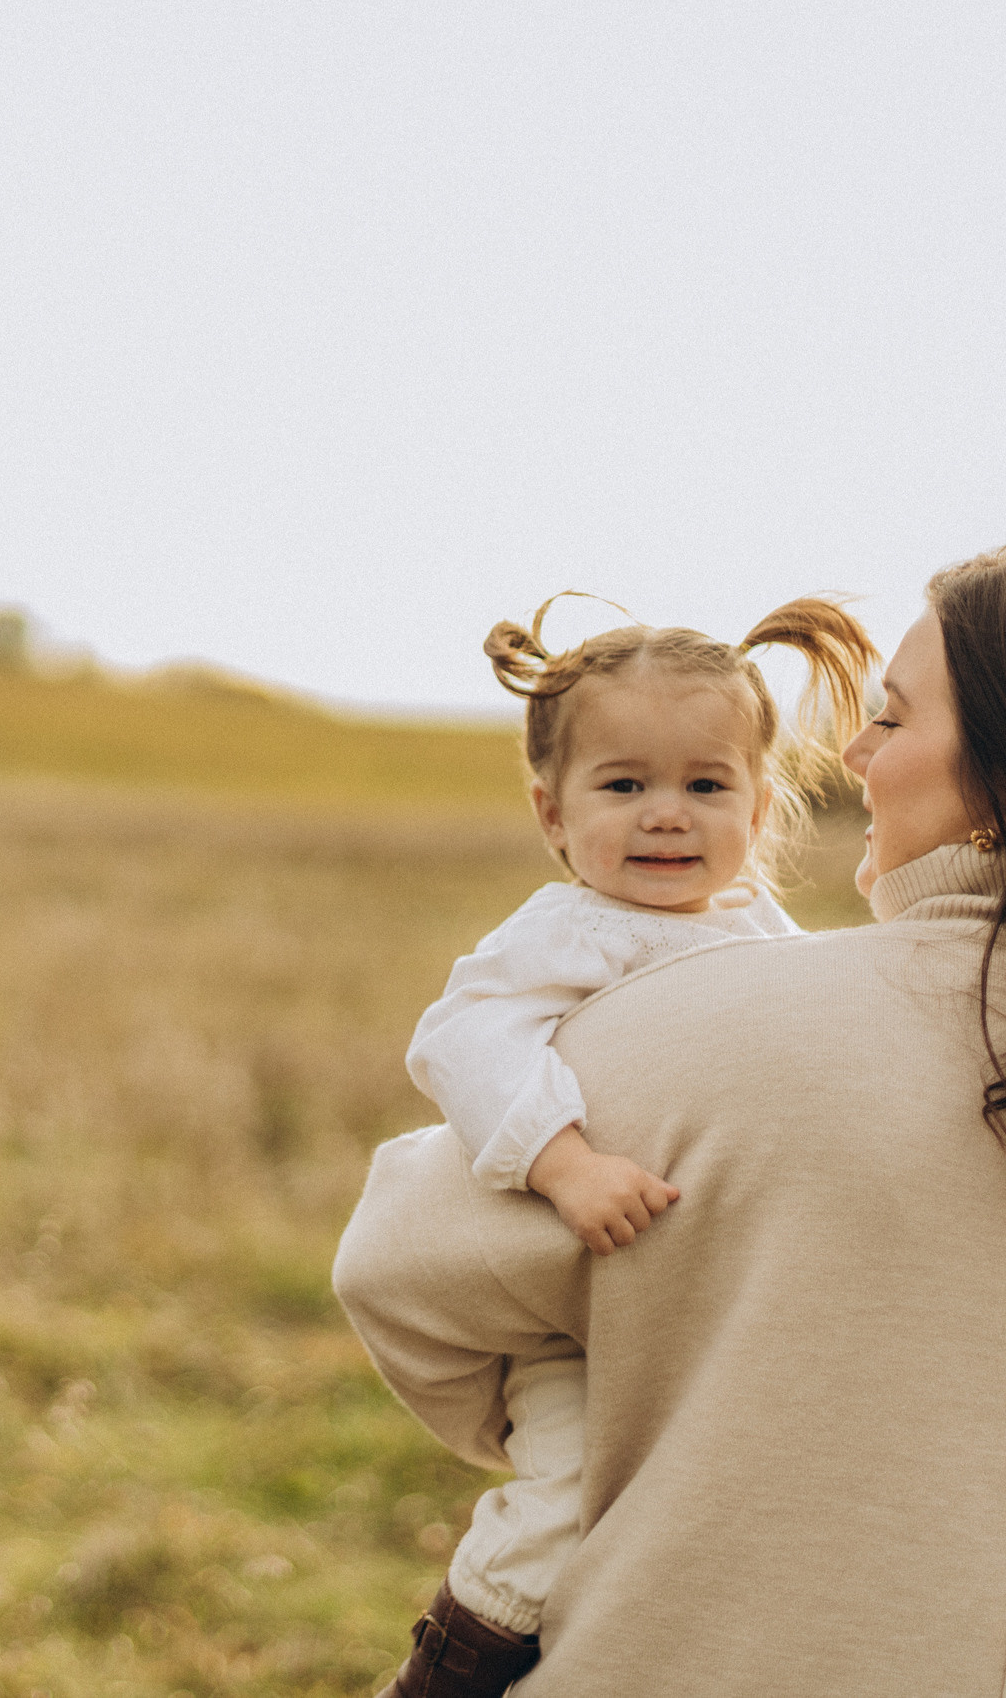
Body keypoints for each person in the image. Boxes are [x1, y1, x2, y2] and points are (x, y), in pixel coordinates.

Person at [336, 544, 1006, 1698]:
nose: (855, 753)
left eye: (893, 719)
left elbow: (393, 1264)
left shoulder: (710, 1028)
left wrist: (623, 1414)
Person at [382, 593, 879, 1696]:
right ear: (551, 813)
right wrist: (564, 1163)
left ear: (761, 806)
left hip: (702, 1298)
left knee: (696, 1518)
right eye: (623, 786)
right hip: (576, 1315)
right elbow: (462, 1039)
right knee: (561, 1504)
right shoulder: (568, 933)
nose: (667, 816)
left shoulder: (764, 937)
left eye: (706, 786)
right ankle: (453, 1670)